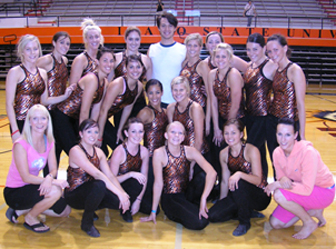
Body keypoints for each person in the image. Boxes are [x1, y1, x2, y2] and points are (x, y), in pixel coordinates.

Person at [4, 104, 71, 233]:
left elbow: (53, 169)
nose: (39, 122)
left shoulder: (49, 141)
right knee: (56, 191)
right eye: (35, 119)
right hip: (16, 191)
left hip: (33, 187)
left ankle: (21, 210)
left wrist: (49, 177)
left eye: (43, 118)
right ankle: (30, 217)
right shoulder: (21, 144)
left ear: (48, 121)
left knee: (64, 211)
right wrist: (52, 182)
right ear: (29, 122)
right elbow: (26, 177)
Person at [265, 118, 335, 240]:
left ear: (295, 135)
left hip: (324, 191)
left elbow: (307, 189)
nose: (283, 139)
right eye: (279, 134)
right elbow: (281, 177)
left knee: (279, 194)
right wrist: (282, 179)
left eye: (287, 135)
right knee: (276, 223)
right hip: (302, 191)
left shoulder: (308, 153)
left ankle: (309, 222)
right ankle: (314, 211)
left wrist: (278, 184)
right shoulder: (277, 152)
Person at [140, 121, 217, 230]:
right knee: (200, 223)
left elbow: (212, 172)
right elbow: (158, 183)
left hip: (186, 193)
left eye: (180, 133)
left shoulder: (190, 151)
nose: (177, 136)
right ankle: (178, 212)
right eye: (173, 132)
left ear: (184, 137)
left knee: (202, 177)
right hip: (171, 198)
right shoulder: (159, 153)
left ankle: (195, 205)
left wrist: (204, 198)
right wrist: (153, 211)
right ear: (166, 135)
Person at [65, 119, 130, 238]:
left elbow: (110, 175)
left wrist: (122, 194)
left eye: (96, 132)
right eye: (89, 132)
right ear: (81, 134)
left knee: (117, 202)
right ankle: (87, 223)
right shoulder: (75, 151)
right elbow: (97, 174)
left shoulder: (99, 152)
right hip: (74, 194)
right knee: (99, 184)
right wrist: (119, 193)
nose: (93, 135)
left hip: (90, 191)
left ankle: (91, 207)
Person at [207, 119, 271, 236]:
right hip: (239, 194)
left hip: (260, 195)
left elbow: (257, 179)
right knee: (213, 215)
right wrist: (222, 202)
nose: (229, 136)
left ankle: (244, 222)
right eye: (226, 133)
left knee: (239, 182)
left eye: (233, 133)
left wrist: (239, 174)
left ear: (241, 134)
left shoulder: (251, 150)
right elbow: (225, 182)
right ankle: (247, 210)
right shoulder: (224, 154)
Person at [6, 34, 71, 143]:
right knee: (23, 158)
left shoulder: (43, 73)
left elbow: (45, 101)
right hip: (21, 122)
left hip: (38, 122)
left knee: (39, 158)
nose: (32, 53)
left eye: (35, 49)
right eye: (28, 49)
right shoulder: (15, 72)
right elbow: (9, 104)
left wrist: (64, 96)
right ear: (22, 51)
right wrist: (14, 130)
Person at [53, 47, 113, 156]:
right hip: (63, 117)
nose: (108, 64)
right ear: (97, 62)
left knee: (100, 150)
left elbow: (96, 110)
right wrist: (85, 138)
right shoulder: (92, 79)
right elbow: (84, 112)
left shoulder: (104, 82)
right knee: (78, 153)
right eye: (105, 60)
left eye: (111, 61)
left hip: (75, 119)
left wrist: (94, 134)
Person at [266, 34, 306, 164]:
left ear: (285, 48)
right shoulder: (275, 69)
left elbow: (300, 104)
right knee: (276, 161)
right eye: (269, 51)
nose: (272, 54)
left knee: (292, 163)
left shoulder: (295, 70)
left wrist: (303, 135)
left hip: (289, 124)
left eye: (275, 50)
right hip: (273, 122)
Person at [243, 33, 277, 178]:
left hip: (263, 118)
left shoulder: (271, 65)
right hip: (250, 117)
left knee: (255, 150)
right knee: (258, 152)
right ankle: (261, 184)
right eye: (248, 49)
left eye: (255, 49)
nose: (251, 53)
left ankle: (273, 184)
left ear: (264, 48)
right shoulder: (250, 65)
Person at [36, 31, 71, 170]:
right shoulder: (46, 60)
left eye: (67, 43)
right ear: (54, 43)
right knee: (50, 149)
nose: (65, 46)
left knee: (58, 146)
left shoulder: (65, 61)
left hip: (59, 111)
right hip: (47, 111)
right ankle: (48, 180)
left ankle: (52, 179)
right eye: (61, 42)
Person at [97, 54, 143, 155]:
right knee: (104, 150)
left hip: (105, 118)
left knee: (120, 145)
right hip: (96, 117)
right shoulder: (118, 84)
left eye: (138, 67)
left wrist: (119, 130)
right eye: (131, 67)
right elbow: (103, 110)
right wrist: (99, 135)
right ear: (126, 68)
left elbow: (128, 107)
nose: (135, 70)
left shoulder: (139, 86)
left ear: (142, 68)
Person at [109, 26, 152, 131]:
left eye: (137, 39)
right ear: (125, 39)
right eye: (131, 39)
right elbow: (109, 83)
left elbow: (149, 86)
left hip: (139, 103)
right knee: (122, 134)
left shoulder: (146, 60)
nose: (134, 42)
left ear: (140, 40)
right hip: (120, 104)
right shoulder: (116, 58)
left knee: (138, 133)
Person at [137, 79, 168, 213]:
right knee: (148, 205)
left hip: (161, 158)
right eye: (151, 93)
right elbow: (133, 130)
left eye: (157, 92)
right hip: (149, 159)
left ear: (162, 93)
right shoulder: (146, 112)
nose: (154, 96)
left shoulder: (165, 111)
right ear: (146, 94)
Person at [109, 118, 149, 221]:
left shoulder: (144, 151)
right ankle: (125, 209)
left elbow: (144, 178)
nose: (137, 135)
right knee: (135, 182)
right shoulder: (119, 152)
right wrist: (130, 174)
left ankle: (131, 203)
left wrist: (138, 200)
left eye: (140, 131)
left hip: (131, 189)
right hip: (115, 189)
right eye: (133, 131)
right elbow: (111, 180)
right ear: (126, 133)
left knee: (153, 209)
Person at [148, 11, 186, 107]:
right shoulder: (152, 49)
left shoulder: (183, 49)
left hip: (177, 101)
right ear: (159, 28)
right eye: (163, 25)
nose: (167, 29)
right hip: (156, 101)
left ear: (175, 28)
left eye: (170, 25)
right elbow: (149, 78)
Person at [180, 33, 211, 136]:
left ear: (200, 47)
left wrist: (207, 120)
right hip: (186, 109)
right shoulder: (184, 64)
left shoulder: (202, 65)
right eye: (189, 45)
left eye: (195, 45)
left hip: (200, 109)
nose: (192, 48)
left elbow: (210, 95)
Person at [69, 18, 103, 86]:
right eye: (90, 37)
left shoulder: (101, 58)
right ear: (85, 39)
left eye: (96, 37)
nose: (94, 40)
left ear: (100, 38)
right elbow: (72, 87)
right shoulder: (81, 59)